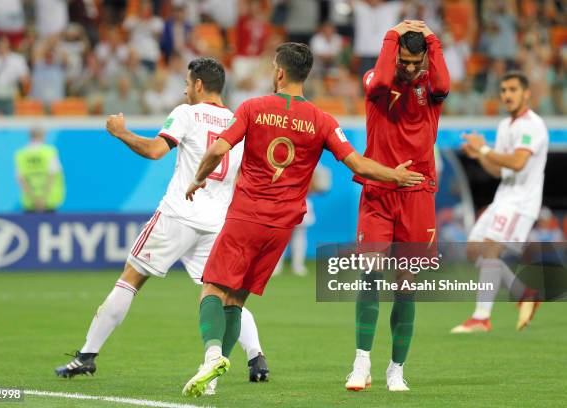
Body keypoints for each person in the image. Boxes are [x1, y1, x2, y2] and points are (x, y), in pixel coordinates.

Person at [181, 42, 425, 397]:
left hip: (246, 216)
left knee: (213, 289)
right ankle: (213, 381)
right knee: (237, 300)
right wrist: (396, 176)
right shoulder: (323, 120)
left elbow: (219, 148)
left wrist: (199, 177)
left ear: (279, 72)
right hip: (281, 228)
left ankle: (212, 357)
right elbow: (357, 163)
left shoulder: (252, 107)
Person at [54, 58, 270, 390]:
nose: (184, 89)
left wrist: (121, 133)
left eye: (187, 83)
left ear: (199, 85)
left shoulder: (186, 113)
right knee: (222, 295)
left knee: (131, 278)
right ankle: (256, 358)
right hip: (216, 223)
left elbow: (156, 151)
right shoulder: (237, 121)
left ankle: (87, 355)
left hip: (177, 214)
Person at [346, 20, 449, 392]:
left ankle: (396, 369)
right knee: (370, 274)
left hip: (418, 195)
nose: (408, 68)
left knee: (406, 285)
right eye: (402, 60)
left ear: (424, 57)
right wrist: (391, 33)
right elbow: (378, 82)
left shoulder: (430, 90)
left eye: (415, 62)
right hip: (378, 191)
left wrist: (432, 39)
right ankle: (361, 364)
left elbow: (443, 84)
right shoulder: (377, 80)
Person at [452, 71, 548, 334]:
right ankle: (525, 293)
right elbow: (499, 171)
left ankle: (481, 317)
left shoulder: (533, 125)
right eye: (504, 90)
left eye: (513, 89)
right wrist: (479, 155)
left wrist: (484, 149)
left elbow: (518, 162)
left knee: (491, 249)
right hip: (503, 197)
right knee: (474, 250)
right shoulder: (505, 126)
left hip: (521, 202)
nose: (507, 95)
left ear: (526, 93)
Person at [15, 127, 65, 213]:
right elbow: (51, 176)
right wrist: (43, 199)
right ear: (43, 135)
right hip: (49, 202)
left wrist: (34, 199)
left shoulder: (21, 154)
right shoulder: (49, 152)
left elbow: (21, 179)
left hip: (30, 203)